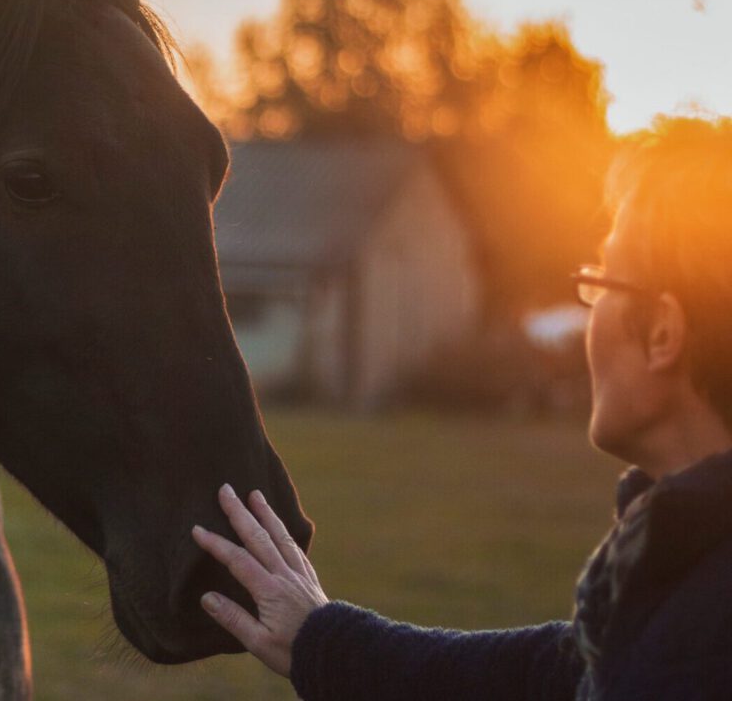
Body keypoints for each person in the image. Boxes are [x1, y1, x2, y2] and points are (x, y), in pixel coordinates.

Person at [192, 115, 732, 700]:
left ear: (661, 334)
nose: (589, 314)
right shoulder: (675, 585)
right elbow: (547, 678)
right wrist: (320, 638)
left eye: (603, 282)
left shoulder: (697, 640)